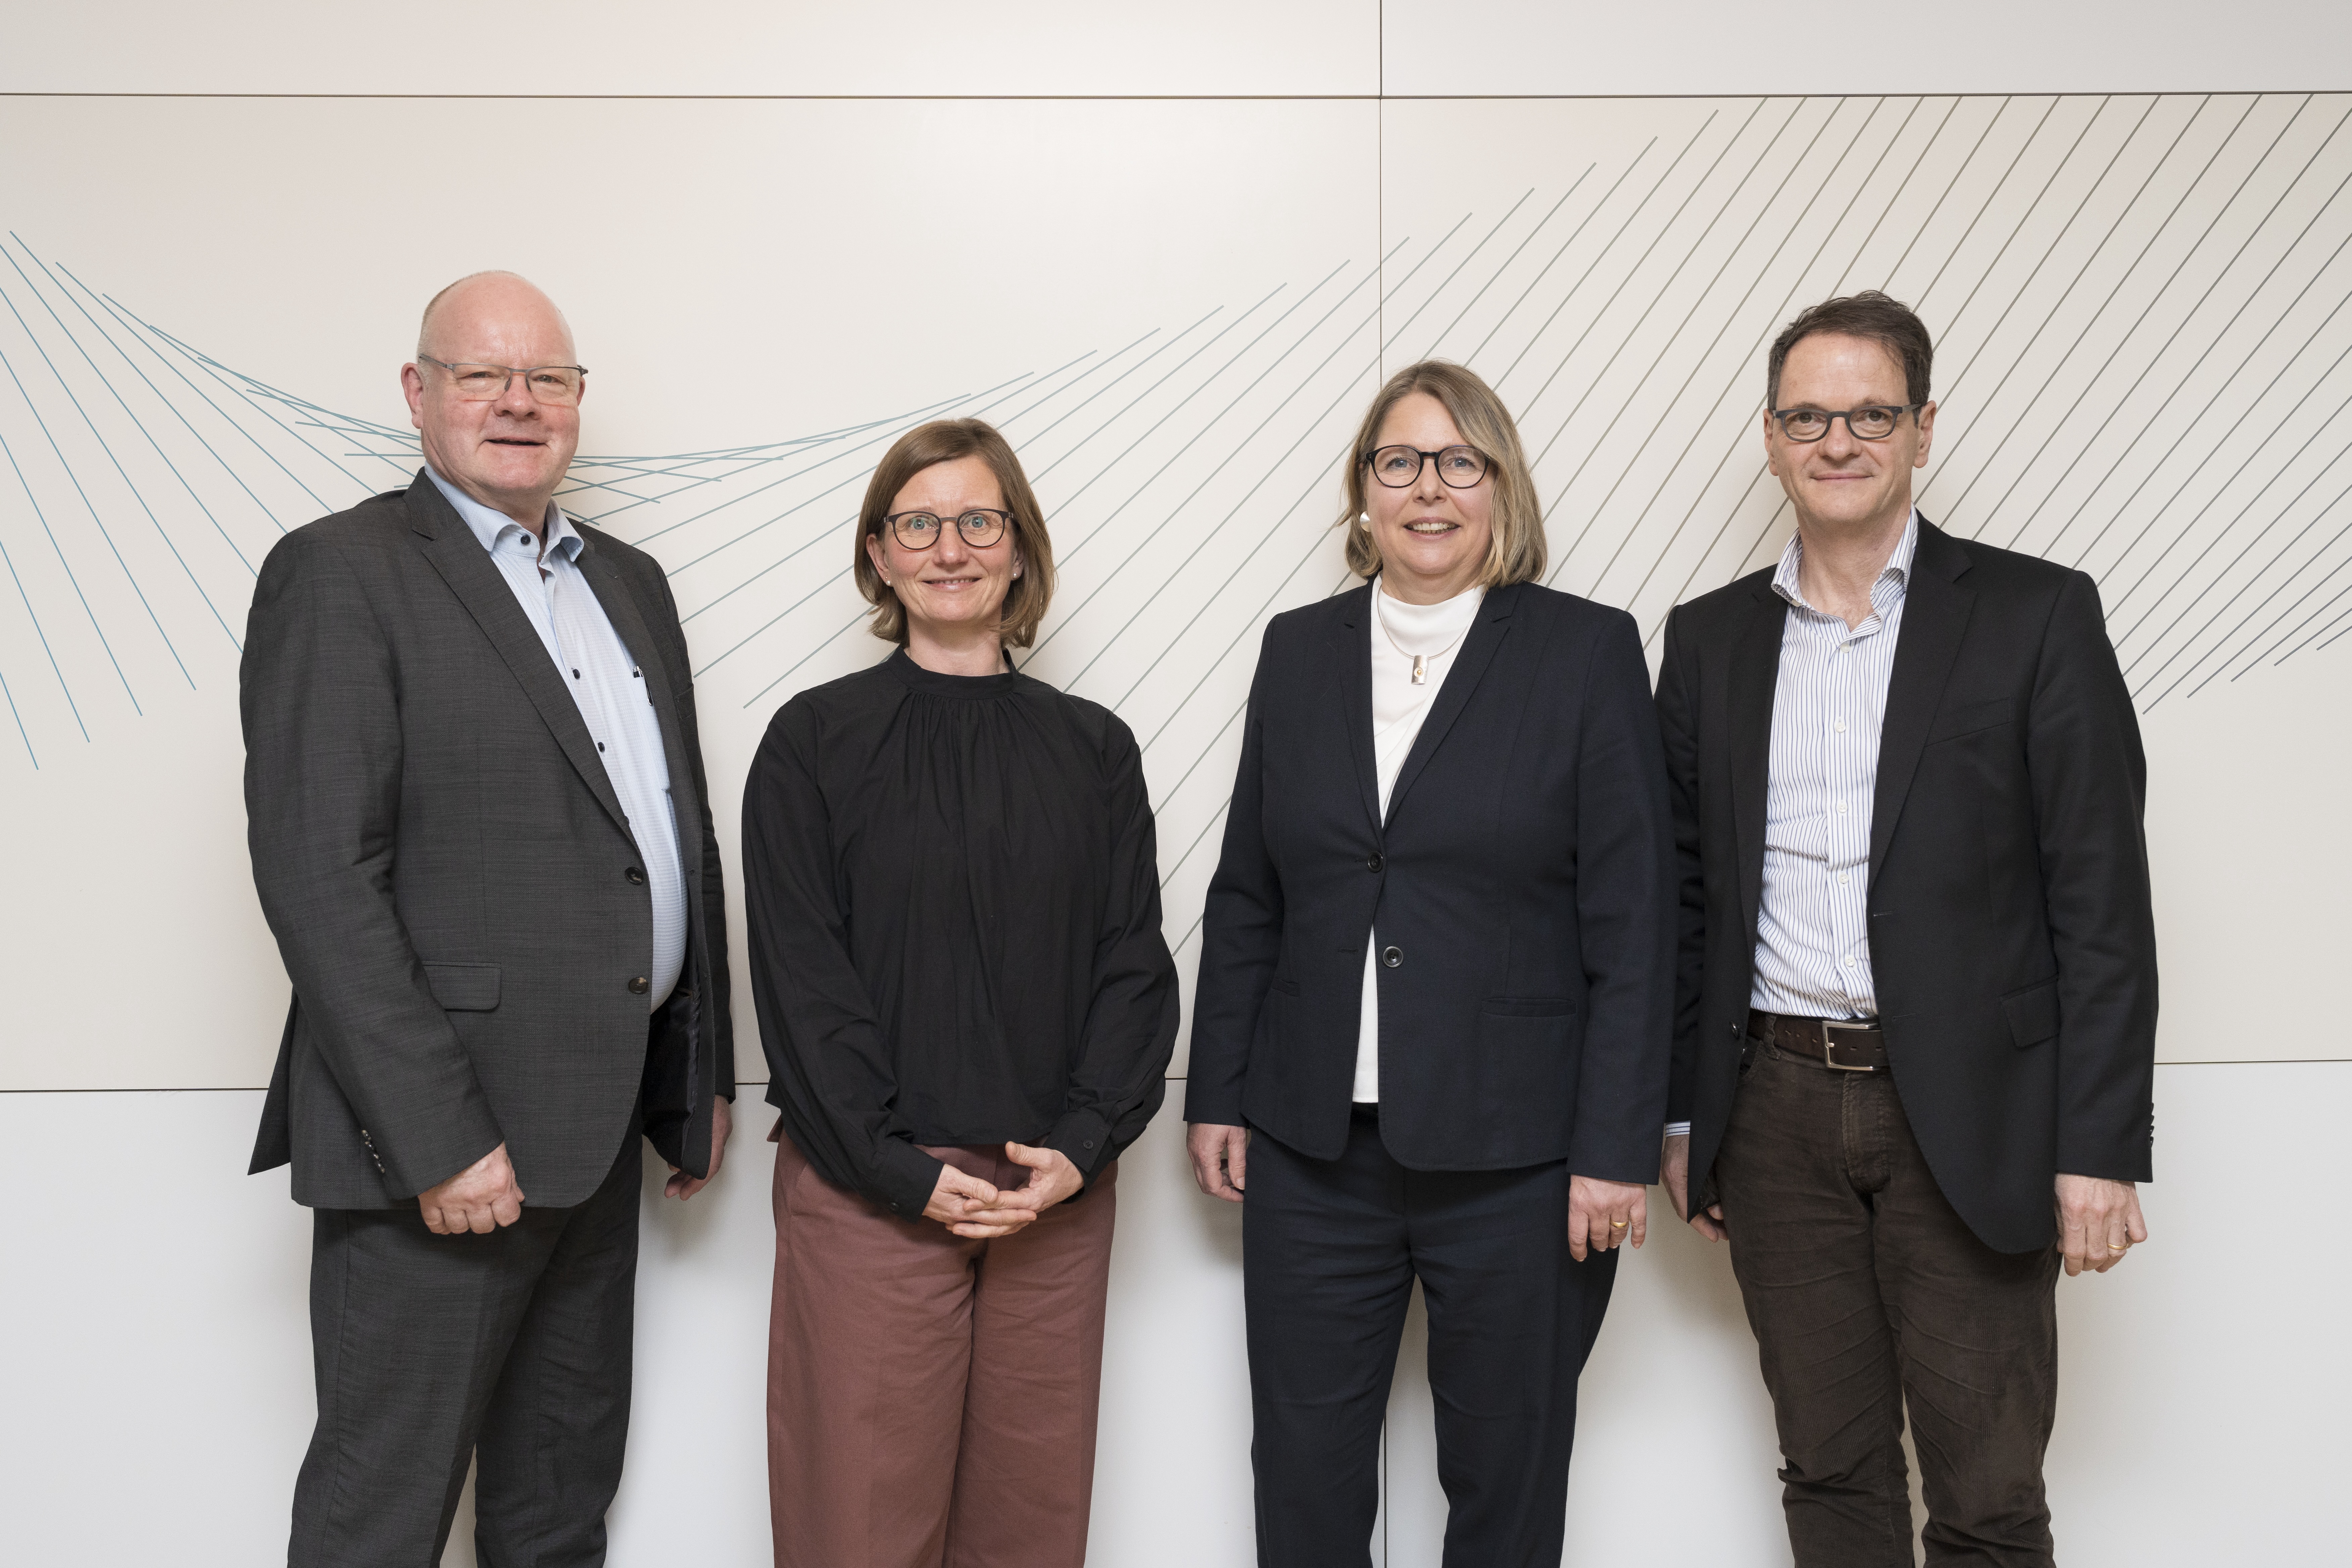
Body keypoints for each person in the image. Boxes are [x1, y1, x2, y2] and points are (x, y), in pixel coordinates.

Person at [1655, 291, 2159, 1566]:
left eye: (1870, 413)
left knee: (1987, 1498)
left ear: (1923, 429)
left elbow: (2100, 902)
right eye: (1809, 416)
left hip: (1975, 1117)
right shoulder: (1709, 642)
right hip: (1773, 1113)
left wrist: (2097, 1148)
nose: (1839, 441)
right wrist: (1684, 1115)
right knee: (1829, 1476)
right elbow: (1685, 897)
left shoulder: (2038, 616)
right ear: (1770, 437)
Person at [241, 271, 735, 1566]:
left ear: (579, 401)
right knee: (379, 1522)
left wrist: (694, 1076)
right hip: (441, 1162)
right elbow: (317, 878)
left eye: (548, 379)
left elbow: (668, 842)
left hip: (600, 1134)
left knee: (558, 1516)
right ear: (419, 393)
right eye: (483, 376)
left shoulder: (630, 583)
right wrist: (439, 1142)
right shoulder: (338, 574)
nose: (519, 402)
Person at [1184, 360, 1675, 1567]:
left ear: (1502, 489)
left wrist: (1616, 1151)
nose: (1430, 490)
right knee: (1302, 1481)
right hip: (1309, 1152)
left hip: (1520, 1162)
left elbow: (1635, 921)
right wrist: (1217, 1093)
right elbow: (1251, 891)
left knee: (1505, 1492)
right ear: (1363, 492)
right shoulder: (1298, 652)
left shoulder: (1585, 652)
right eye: (1399, 462)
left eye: (1463, 462)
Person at [741, 418, 1178, 1568]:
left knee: (1030, 1538)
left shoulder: (1095, 749)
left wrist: (1082, 1146)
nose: (951, 548)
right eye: (918, 523)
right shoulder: (811, 743)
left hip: (1052, 1202)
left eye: (979, 521)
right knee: (860, 1535)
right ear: (877, 555)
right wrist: (900, 1172)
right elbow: (802, 982)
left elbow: (1134, 964)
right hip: (869, 1193)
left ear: (1020, 549)